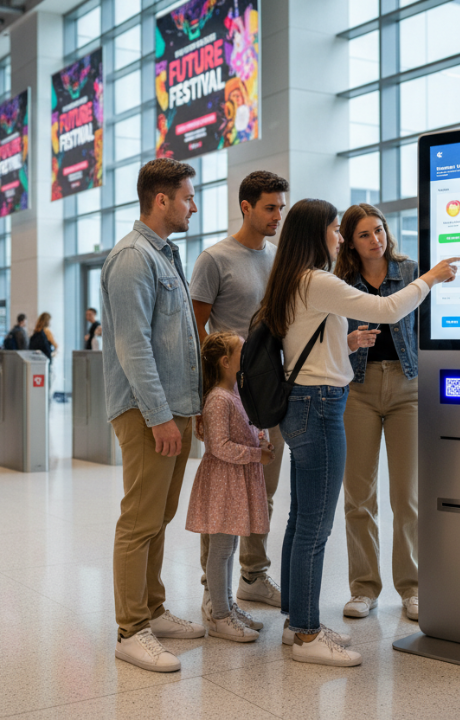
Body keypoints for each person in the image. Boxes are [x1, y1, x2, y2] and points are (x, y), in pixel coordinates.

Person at [256, 198, 458, 668]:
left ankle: (296, 622)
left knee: (304, 517)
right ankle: (308, 631)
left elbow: (309, 339)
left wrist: (343, 342)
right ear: (320, 235)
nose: (345, 239)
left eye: (374, 231)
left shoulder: (290, 278)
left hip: (319, 398)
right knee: (320, 521)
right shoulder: (322, 279)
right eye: (340, 230)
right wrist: (430, 278)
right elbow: (387, 310)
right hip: (326, 401)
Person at [102, 157, 205, 674]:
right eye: (188, 196)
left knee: (159, 517)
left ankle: (152, 609)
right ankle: (130, 630)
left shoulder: (166, 255)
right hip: (148, 412)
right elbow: (133, 346)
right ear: (161, 199)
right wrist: (160, 416)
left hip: (174, 408)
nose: (194, 204)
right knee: (140, 519)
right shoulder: (132, 258)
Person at [190, 169, 289, 612]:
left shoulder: (278, 259)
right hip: (228, 395)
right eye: (270, 207)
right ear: (246, 207)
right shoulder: (214, 260)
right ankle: (214, 590)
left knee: (261, 488)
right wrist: (199, 399)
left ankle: (253, 575)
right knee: (222, 495)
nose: (278, 216)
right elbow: (195, 333)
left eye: (281, 207)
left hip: (270, 392)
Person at [333, 203, 424, 623]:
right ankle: (364, 588)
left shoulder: (409, 273)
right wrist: (350, 339)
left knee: (407, 496)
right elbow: (328, 341)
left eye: (380, 230)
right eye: (365, 234)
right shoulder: (341, 283)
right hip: (360, 388)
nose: (376, 239)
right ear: (351, 242)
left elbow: (426, 330)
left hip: (408, 388)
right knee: (359, 495)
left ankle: (414, 587)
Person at [185, 332, 273, 643]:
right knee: (221, 550)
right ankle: (220, 616)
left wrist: (259, 438)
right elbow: (219, 446)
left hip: (235, 481)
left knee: (229, 548)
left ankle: (226, 606)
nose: (247, 357)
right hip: (224, 482)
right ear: (226, 362)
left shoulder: (235, 392)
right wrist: (255, 454)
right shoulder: (218, 399)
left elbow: (245, 428)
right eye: (241, 353)